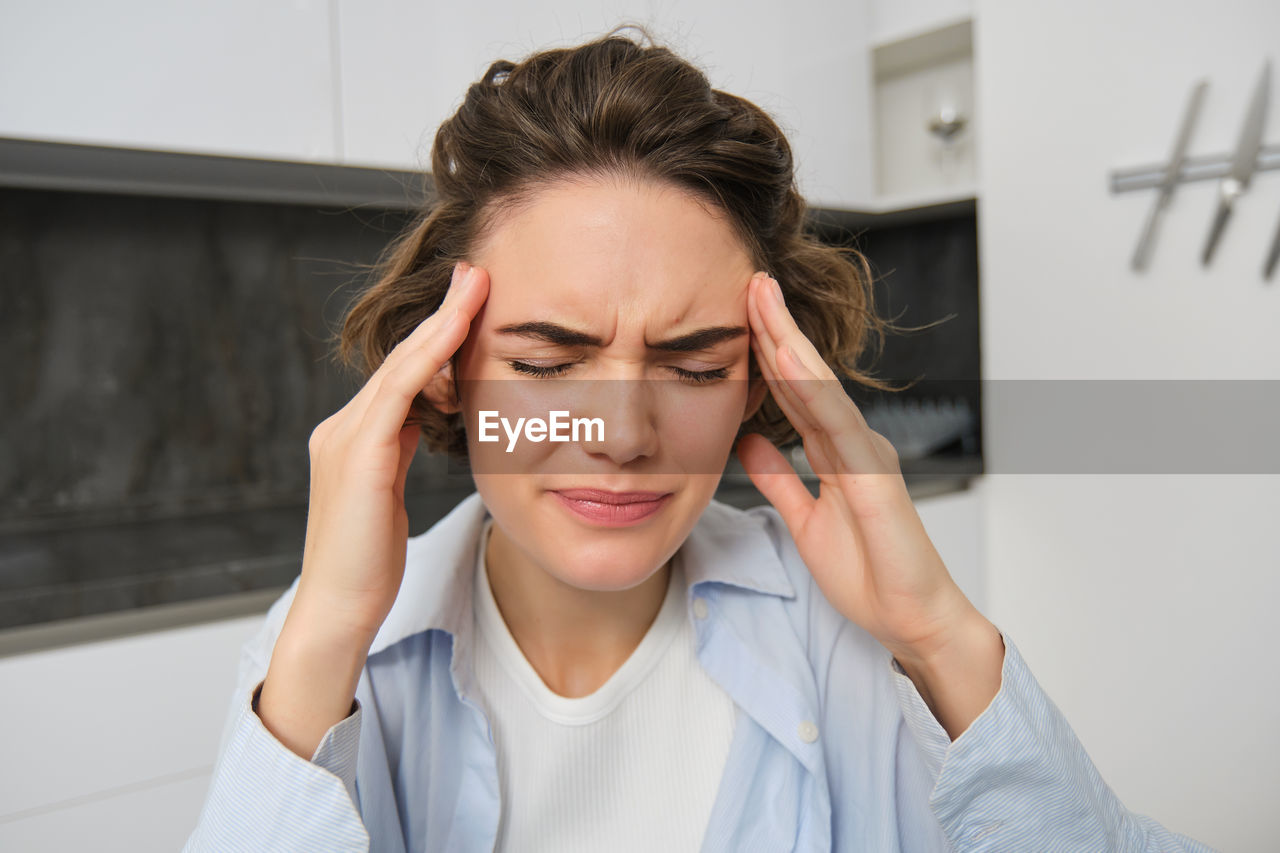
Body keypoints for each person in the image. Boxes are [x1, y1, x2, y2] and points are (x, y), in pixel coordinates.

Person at [183, 26, 1217, 853]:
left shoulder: (848, 644)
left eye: (692, 366)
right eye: (547, 364)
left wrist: (939, 633)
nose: (627, 435)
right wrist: (320, 639)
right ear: (446, 367)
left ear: (760, 377)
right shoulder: (329, 654)